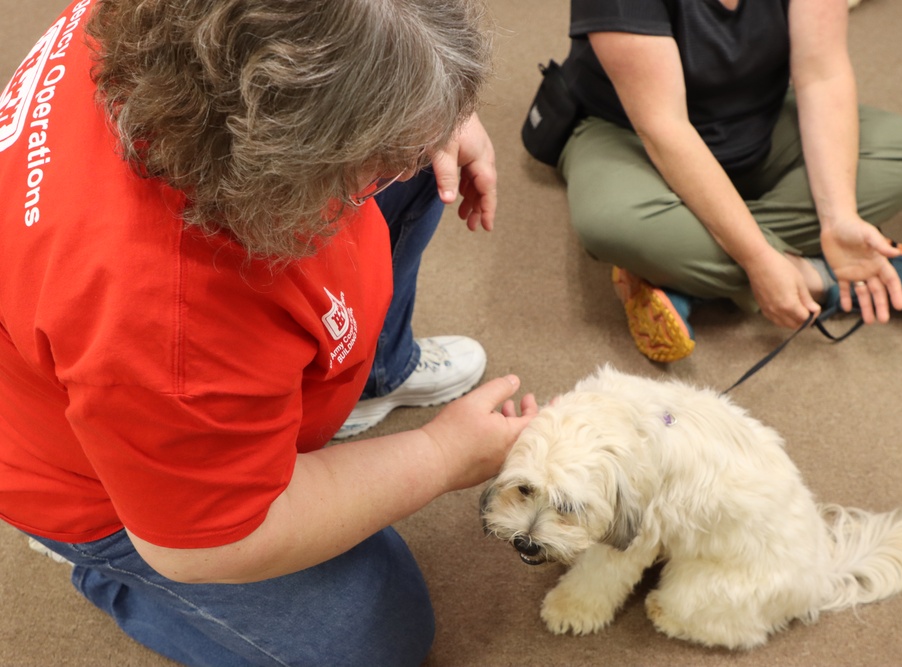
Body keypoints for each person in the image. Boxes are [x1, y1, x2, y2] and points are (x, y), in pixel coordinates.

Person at [0, 1, 538, 666]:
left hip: (168, 341)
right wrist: (439, 456)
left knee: (428, 143)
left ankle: (372, 376)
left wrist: (440, 102)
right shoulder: (164, 317)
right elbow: (210, 542)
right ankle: (105, 567)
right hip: (100, 479)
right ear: (276, 167)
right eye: (375, 164)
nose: (404, 164)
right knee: (377, 638)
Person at [550, 0, 902, 362]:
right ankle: (824, 279)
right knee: (612, 224)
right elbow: (664, 127)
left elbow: (822, 76)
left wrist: (840, 218)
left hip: (756, 118)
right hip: (629, 132)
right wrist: (759, 261)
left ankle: (677, 273)